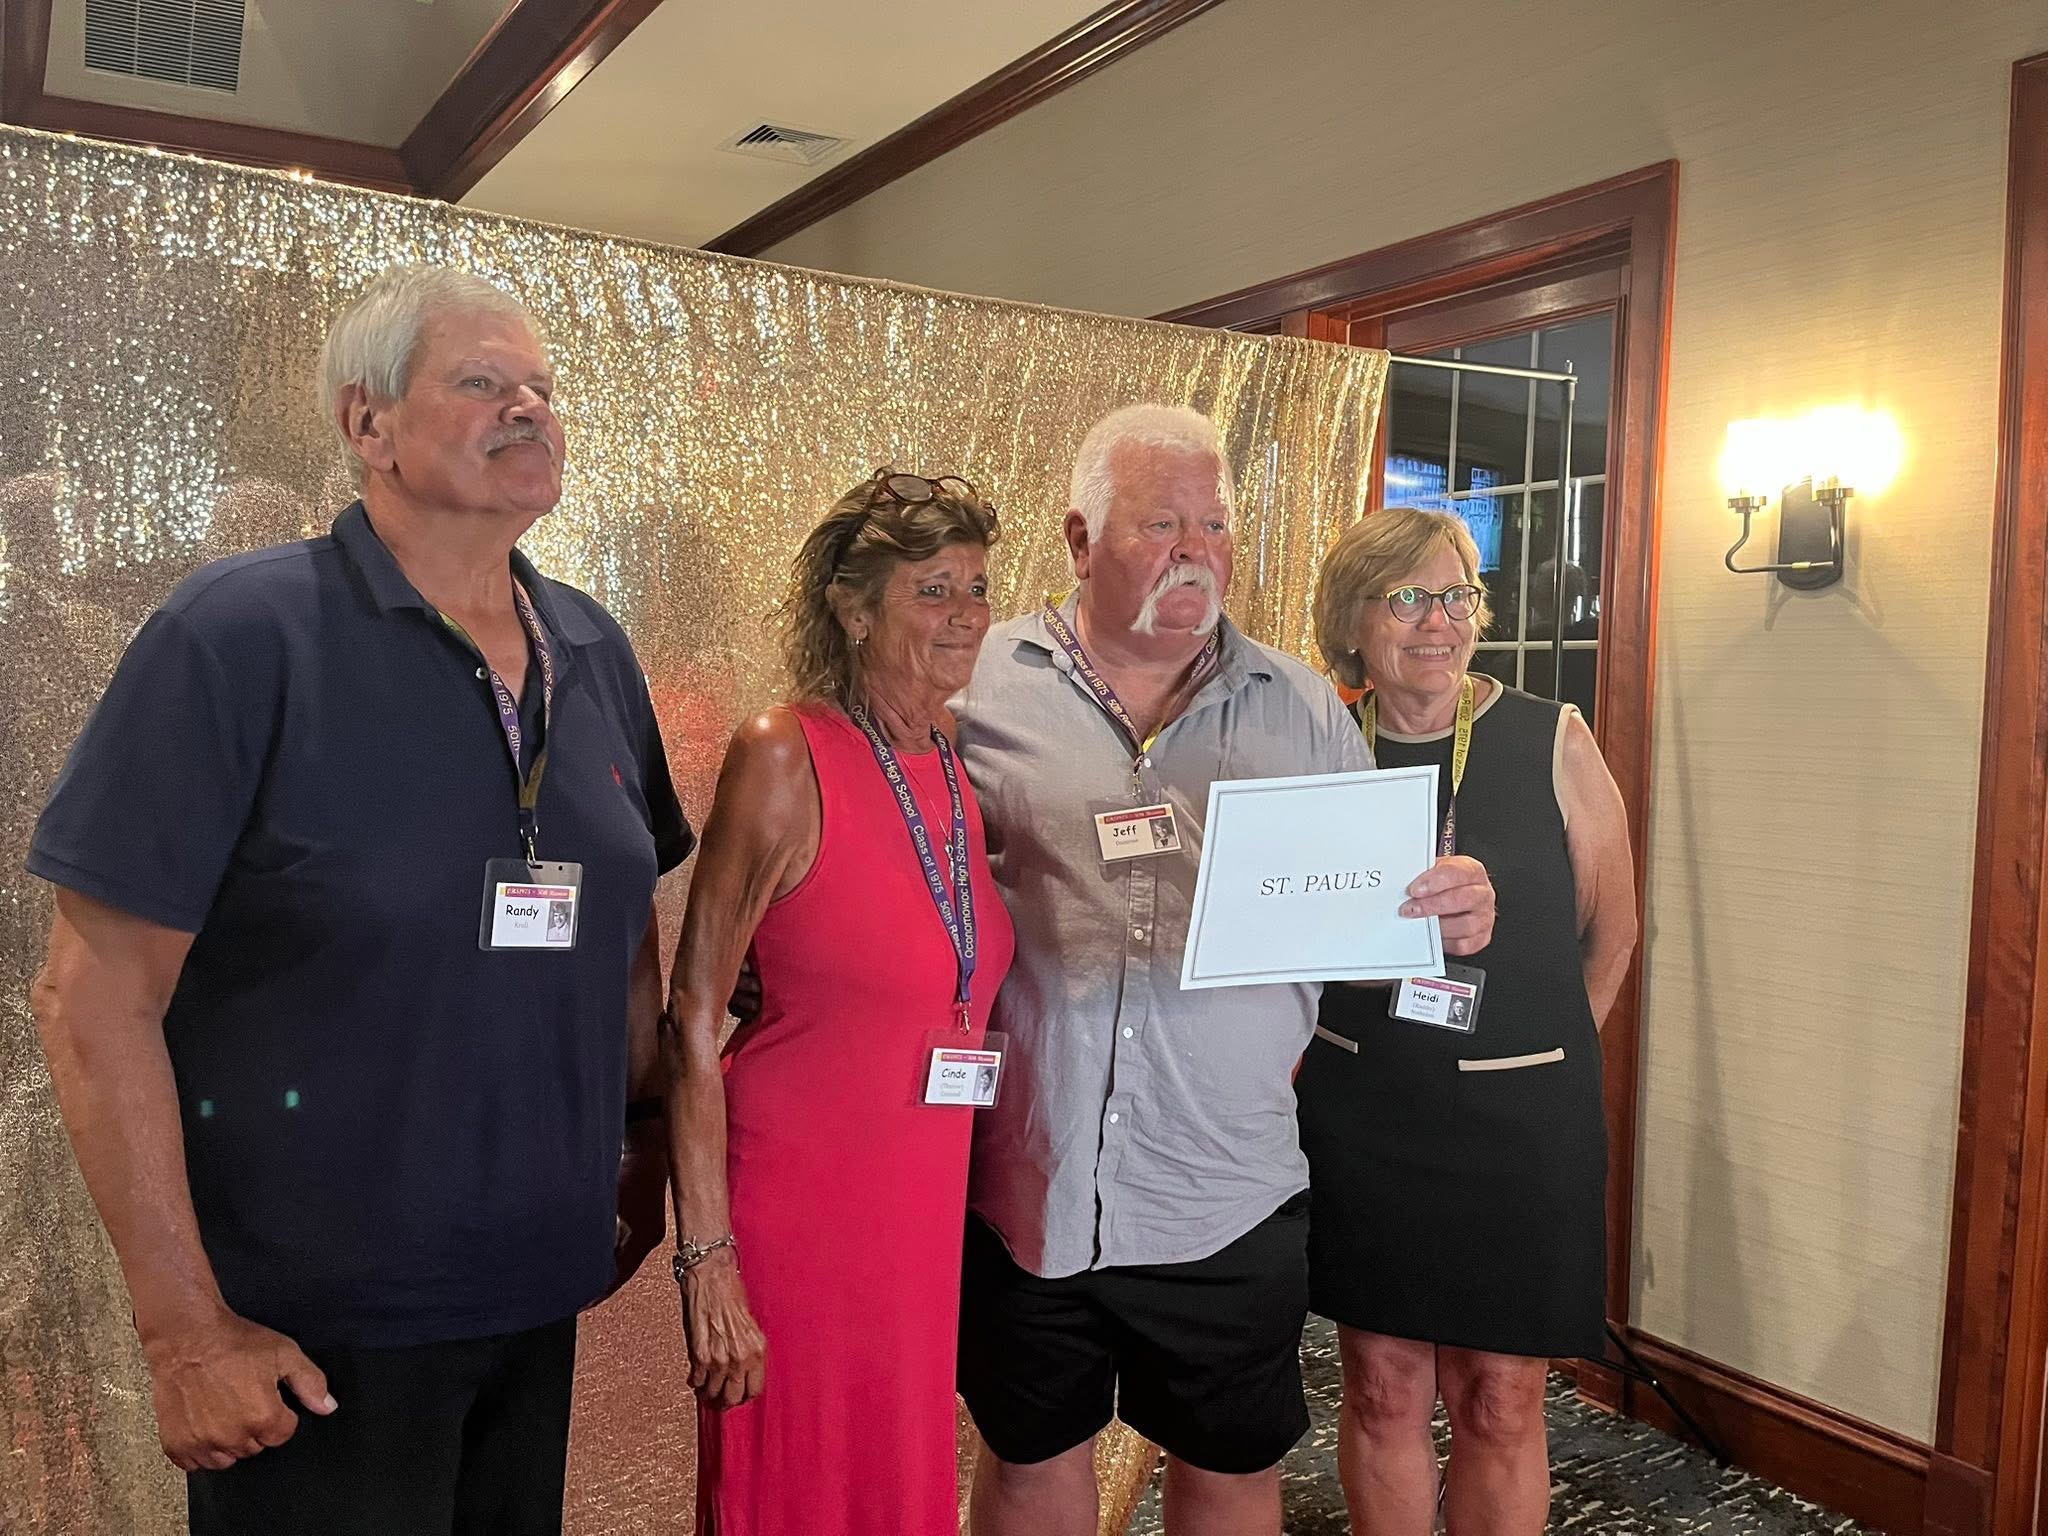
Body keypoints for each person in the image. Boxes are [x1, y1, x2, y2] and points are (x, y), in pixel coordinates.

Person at [25, 264, 693, 1536]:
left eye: (543, 387)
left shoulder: (592, 647)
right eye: (482, 382)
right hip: (312, 1339)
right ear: (365, 423)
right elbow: (89, 998)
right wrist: (183, 1332)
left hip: (533, 1300)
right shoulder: (239, 635)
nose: (530, 409)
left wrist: (642, 1143)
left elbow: (623, 929)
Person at [951, 405, 1499, 1536]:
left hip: (1225, 1184)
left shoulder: (1302, 709)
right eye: (1160, 524)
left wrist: (1444, 914)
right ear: (1078, 539)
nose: (1194, 551)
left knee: (1228, 1466)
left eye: (1214, 524)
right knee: (1031, 1456)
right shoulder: (980, 686)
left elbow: (1365, 923)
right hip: (1030, 1177)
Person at [661, 469, 1016, 1536]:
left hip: (915, 1218)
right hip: (798, 1218)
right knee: (795, 1494)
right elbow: (692, 1016)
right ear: (853, 611)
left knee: (893, 1492)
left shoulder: (948, 761)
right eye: (932, 590)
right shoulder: (784, 751)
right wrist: (706, 1262)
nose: (966, 615)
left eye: (977, 588)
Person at [1296, 506, 1636, 1536]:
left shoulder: (1549, 738)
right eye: (1407, 598)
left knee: (1499, 1397)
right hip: (1366, 1113)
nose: (1437, 621)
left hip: (1521, 1127)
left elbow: (1612, 933)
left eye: (1456, 597)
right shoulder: (1319, 747)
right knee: (1381, 1387)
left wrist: (1541, 1061)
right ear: (1352, 620)